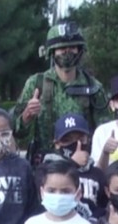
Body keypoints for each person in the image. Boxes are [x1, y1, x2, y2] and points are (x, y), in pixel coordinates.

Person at [13, 22, 108, 164]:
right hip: (45, 166)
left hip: (82, 165)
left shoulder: (93, 87)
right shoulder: (35, 84)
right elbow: (16, 132)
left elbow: (104, 132)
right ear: (52, 51)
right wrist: (28, 114)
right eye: (61, 48)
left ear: (80, 50)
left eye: (72, 47)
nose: (67, 52)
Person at [42, 113, 108, 221]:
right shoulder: (46, 169)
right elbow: (40, 202)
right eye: (67, 140)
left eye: (80, 139)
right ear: (57, 143)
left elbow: (103, 207)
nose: (76, 144)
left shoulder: (97, 174)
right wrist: (72, 163)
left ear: (88, 139)